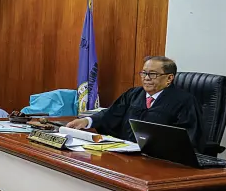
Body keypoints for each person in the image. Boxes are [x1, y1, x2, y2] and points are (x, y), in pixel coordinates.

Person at [66, 56, 203, 148]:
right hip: (127, 152)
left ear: (169, 78)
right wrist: (86, 121)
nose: (146, 78)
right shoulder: (133, 94)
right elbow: (111, 114)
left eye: (153, 74)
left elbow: (187, 139)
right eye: (144, 73)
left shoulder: (184, 101)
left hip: (158, 161)